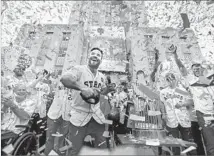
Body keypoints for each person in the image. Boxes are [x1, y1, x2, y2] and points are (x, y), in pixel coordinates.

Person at [60, 47, 113, 155]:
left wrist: (107, 90)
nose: (95, 55)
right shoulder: (78, 69)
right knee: (74, 150)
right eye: (93, 53)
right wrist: (82, 88)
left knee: (102, 149)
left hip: (97, 118)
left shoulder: (101, 76)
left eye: (98, 55)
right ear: (88, 56)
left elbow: (100, 94)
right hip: (79, 117)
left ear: (101, 60)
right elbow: (64, 79)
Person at [160, 72, 196, 155]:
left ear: (175, 79)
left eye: (172, 79)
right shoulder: (163, 92)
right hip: (171, 120)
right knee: (173, 144)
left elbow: (191, 101)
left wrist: (182, 104)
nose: (171, 81)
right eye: (168, 80)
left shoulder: (181, 90)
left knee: (188, 143)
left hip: (184, 119)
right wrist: (164, 113)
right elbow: (161, 103)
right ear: (166, 81)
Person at [187, 62, 214, 155]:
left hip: (212, 113)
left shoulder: (209, 82)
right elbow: (182, 70)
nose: (196, 70)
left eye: (198, 68)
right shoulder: (192, 83)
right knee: (210, 142)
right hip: (203, 115)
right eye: (194, 69)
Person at [1, 84, 37, 150]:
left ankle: (5, 152)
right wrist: (4, 107)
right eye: (19, 90)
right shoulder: (8, 100)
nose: (21, 91)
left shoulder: (31, 102)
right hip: (2, 129)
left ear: (26, 92)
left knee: (5, 151)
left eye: (23, 90)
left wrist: (13, 106)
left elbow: (24, 116)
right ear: (14, 91)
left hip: (15, 132)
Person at [44, 80, 71, 155]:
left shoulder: (79, 85)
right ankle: (48, 154)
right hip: (54, 114)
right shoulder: (59, 82)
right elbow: (50, 91)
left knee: (63, 139)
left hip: (68, 116)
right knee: (49, 138)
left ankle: (60, 154)